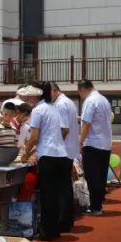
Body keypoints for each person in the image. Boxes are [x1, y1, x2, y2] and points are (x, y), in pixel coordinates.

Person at [17, 83, 71, 242]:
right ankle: (55, 229)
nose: (27, 97)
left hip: (48, 156)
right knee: (57, 194)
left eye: (30, 94)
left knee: (47, 196)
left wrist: (25, 153)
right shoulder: (53, 108)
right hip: (61, 154)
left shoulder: (38, 110)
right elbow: (58, 132)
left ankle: (47, 232)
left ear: (37, 95)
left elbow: (34, 136)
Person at [77, 80, 113, 216]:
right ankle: (99, 203)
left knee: (92, 176)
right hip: (105, 143)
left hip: (93, 143)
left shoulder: (90, 101)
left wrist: (80, 141)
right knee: (101, 176)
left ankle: (95, 207)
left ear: (82, 89)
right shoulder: (104, 100)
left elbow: (87, 123)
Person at [51, 82, 81, 231]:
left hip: (62, 151)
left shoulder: (60, 104)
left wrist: (53, 145)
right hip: (68, 150)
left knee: (61, 187)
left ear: (54, 90)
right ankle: (67, 220)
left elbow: (63, 129)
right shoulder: (68, 102)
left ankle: (62, 221)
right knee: (65, 186)